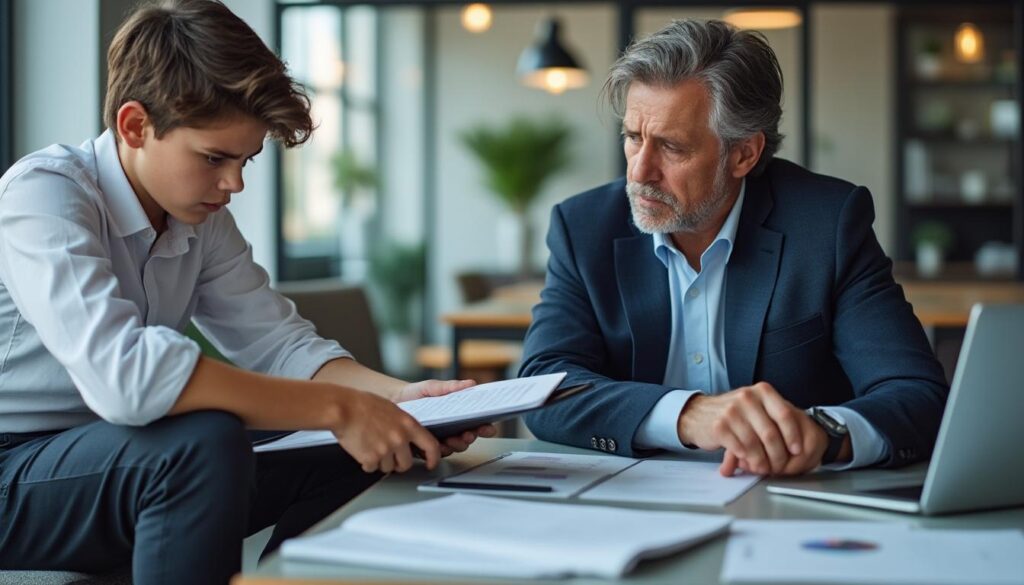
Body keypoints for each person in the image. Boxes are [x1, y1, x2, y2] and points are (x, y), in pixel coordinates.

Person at [0, 1, 491, 583]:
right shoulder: (44, 194)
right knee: (201, 442)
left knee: (360, 445)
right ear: (135, 126)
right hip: (13, 465)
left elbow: (280, 347)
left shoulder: (201, 219)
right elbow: (128, 378)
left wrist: (400, 401)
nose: (233, 183)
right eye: (214, 158)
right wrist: (340, 409)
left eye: (246, 160)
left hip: (117, 450)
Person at [520, 19, 948, 478]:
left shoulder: (828, 224)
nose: (640, 172)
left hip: (788, 499)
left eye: (671, 147)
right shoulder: (584, 228)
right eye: (633, 137)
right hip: (629, 495)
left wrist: (824, 434)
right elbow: (545, 386)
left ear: (744, 154)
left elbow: (917, 394)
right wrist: (688, 415)